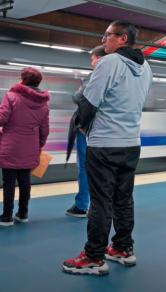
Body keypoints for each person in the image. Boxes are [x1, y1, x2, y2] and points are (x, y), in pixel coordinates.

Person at [62, 21, 152, 275]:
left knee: (100, 202)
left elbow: (89, 101)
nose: (104, 40)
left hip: (104, 143)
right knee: (123, 199)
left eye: (108, 35)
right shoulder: (146, 67)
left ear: (122, 38)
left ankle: (93, 257)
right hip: (131, 143)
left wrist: (81, 124)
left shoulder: (109, 62)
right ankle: (123, 248)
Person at [0, 67, 50, 226]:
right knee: (24, 180)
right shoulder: (43, 103)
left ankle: (6, 216)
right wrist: (38, 145)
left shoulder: (12, 96)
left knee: (8, 181)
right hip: (30, 147)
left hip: (11, 145)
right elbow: (45, 130)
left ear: (22, 79)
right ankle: (23, 214)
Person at [66, 45, 107, 218]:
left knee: (84, 167)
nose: (91, 62)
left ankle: (82, 205)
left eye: (92, 58)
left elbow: (78, 97)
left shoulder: (96, 75)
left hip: (87, 129)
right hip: (105, 130)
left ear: (99, 58)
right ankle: (100, 206)